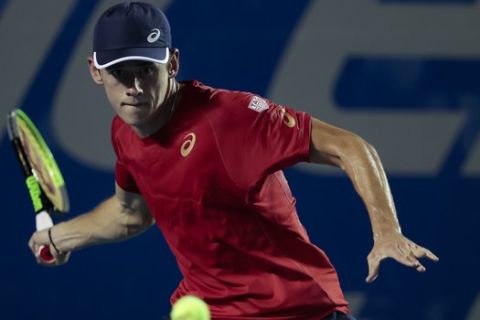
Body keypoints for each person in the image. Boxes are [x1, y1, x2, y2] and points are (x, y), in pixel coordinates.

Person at [28, 2, 439, 319]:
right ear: (96, 71)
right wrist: (59, 237)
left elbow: (352, 146)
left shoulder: (232, 118)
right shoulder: (124, 133)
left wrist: (387, 231)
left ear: (172, 63)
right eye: (120, 73)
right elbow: (129, 213)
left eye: (145, 71)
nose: (134, 88)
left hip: (298, 311)